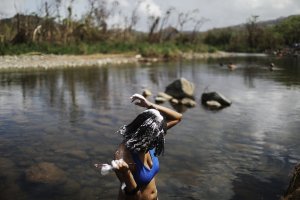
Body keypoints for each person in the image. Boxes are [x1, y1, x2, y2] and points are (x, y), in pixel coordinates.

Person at [112, 93, 182, 200]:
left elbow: (178, 117)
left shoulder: (152, 138)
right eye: (158, 135)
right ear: (147, 133)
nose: (161, 138)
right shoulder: (124, 156)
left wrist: (149, 105)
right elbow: (134, 197)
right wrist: (126, 173)